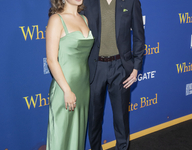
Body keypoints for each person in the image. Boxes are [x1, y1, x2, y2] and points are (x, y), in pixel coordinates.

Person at [81, 0, 145, 149]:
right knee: (94, 118)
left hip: (121, 68)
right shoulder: (86, 2)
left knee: (121, 119)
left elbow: (139, 36)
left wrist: (136, 67)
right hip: (95, 68)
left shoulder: (131, 2)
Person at [45, 0, 94, 149]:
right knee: (61, 136)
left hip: (83, 86)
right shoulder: (56, 20)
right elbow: (52, 60)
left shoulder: (84, 19)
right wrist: (67, 90)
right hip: (64, 87)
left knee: (77, 135)